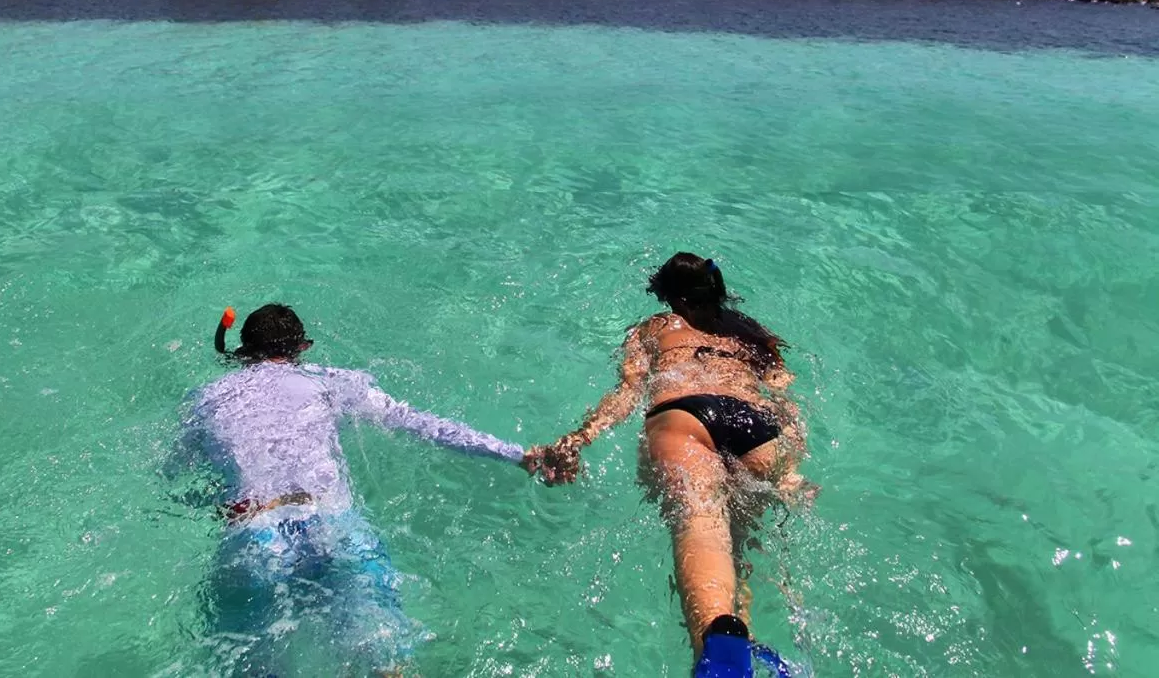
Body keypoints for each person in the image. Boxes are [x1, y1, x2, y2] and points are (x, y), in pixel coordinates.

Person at [185, 302, 526, 676]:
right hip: (330, 523)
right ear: (302, 348)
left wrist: (214, 500)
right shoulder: (328, 382)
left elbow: (175, 478)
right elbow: (419, 424)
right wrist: (519, 454)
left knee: (252, 661)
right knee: (384, 659)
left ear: (244, 351)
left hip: (257, 531)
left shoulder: (206, 398)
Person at [524, 253, 808, 678]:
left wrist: (579, 439)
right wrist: (790, 471)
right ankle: (737, 646)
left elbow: (627, 392)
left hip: (687, 415)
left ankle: (719, 660)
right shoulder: (755, 334)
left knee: (702, 527)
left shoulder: (655, 328)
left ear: (672, 299)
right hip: (759, 427)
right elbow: (788, 404)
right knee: (738, 545)